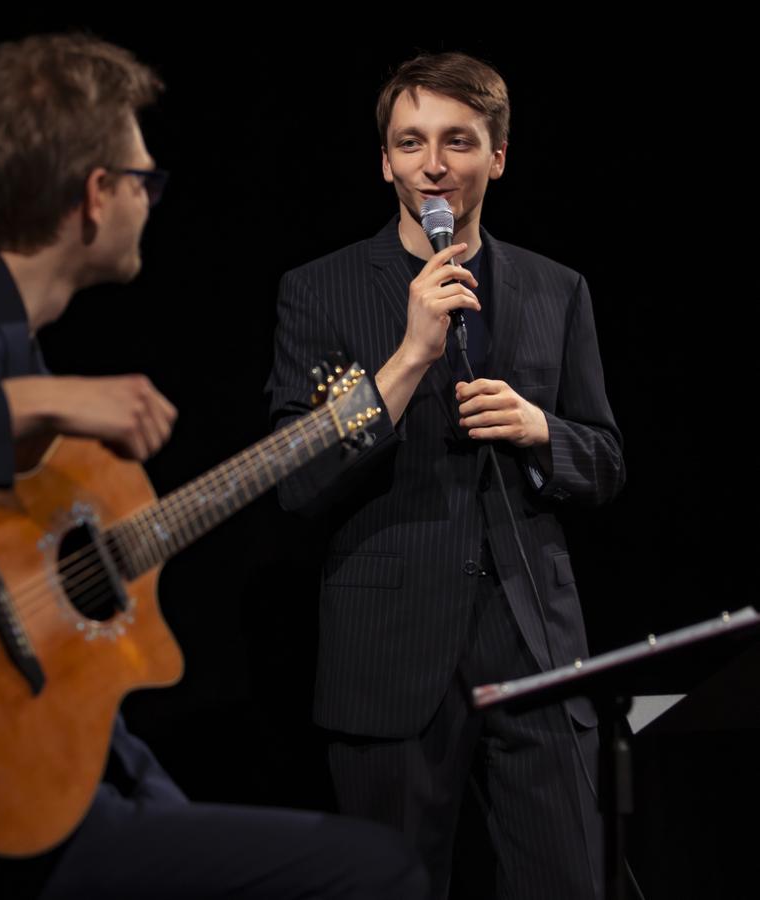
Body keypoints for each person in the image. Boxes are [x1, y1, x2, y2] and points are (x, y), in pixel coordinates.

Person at [0, 33, 429, 900]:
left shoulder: (34, 389)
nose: (150, 202)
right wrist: (44, 401)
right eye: (144, 182)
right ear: (97, 195)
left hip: (47, 790)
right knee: (384, 873)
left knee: (361, 859)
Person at [266, 51, 625, 900]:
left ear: (496, 157)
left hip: (536, 645)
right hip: (391, 653)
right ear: (384, 161)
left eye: (458, 141)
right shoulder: (319, 291)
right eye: (411, 142)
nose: (433, 164)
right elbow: (293, 476)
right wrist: (407, 359)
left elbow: (606, 461)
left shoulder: (556, 288)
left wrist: (542, 432)